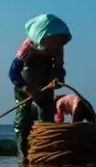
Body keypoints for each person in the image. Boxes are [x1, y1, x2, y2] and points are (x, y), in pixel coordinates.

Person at [8, 14, 71, 154]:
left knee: (47, 118)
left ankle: (43, 149)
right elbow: (13, 72)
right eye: (56, 39)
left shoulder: (57, 48)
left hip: (45, 85)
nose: (60, 43)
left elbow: (59, 69)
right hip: (25, 86)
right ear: (44, 36)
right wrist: (26, 88)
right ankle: (23, 151)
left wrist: (58, 78)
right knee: (22, 119)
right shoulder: (27, 47)